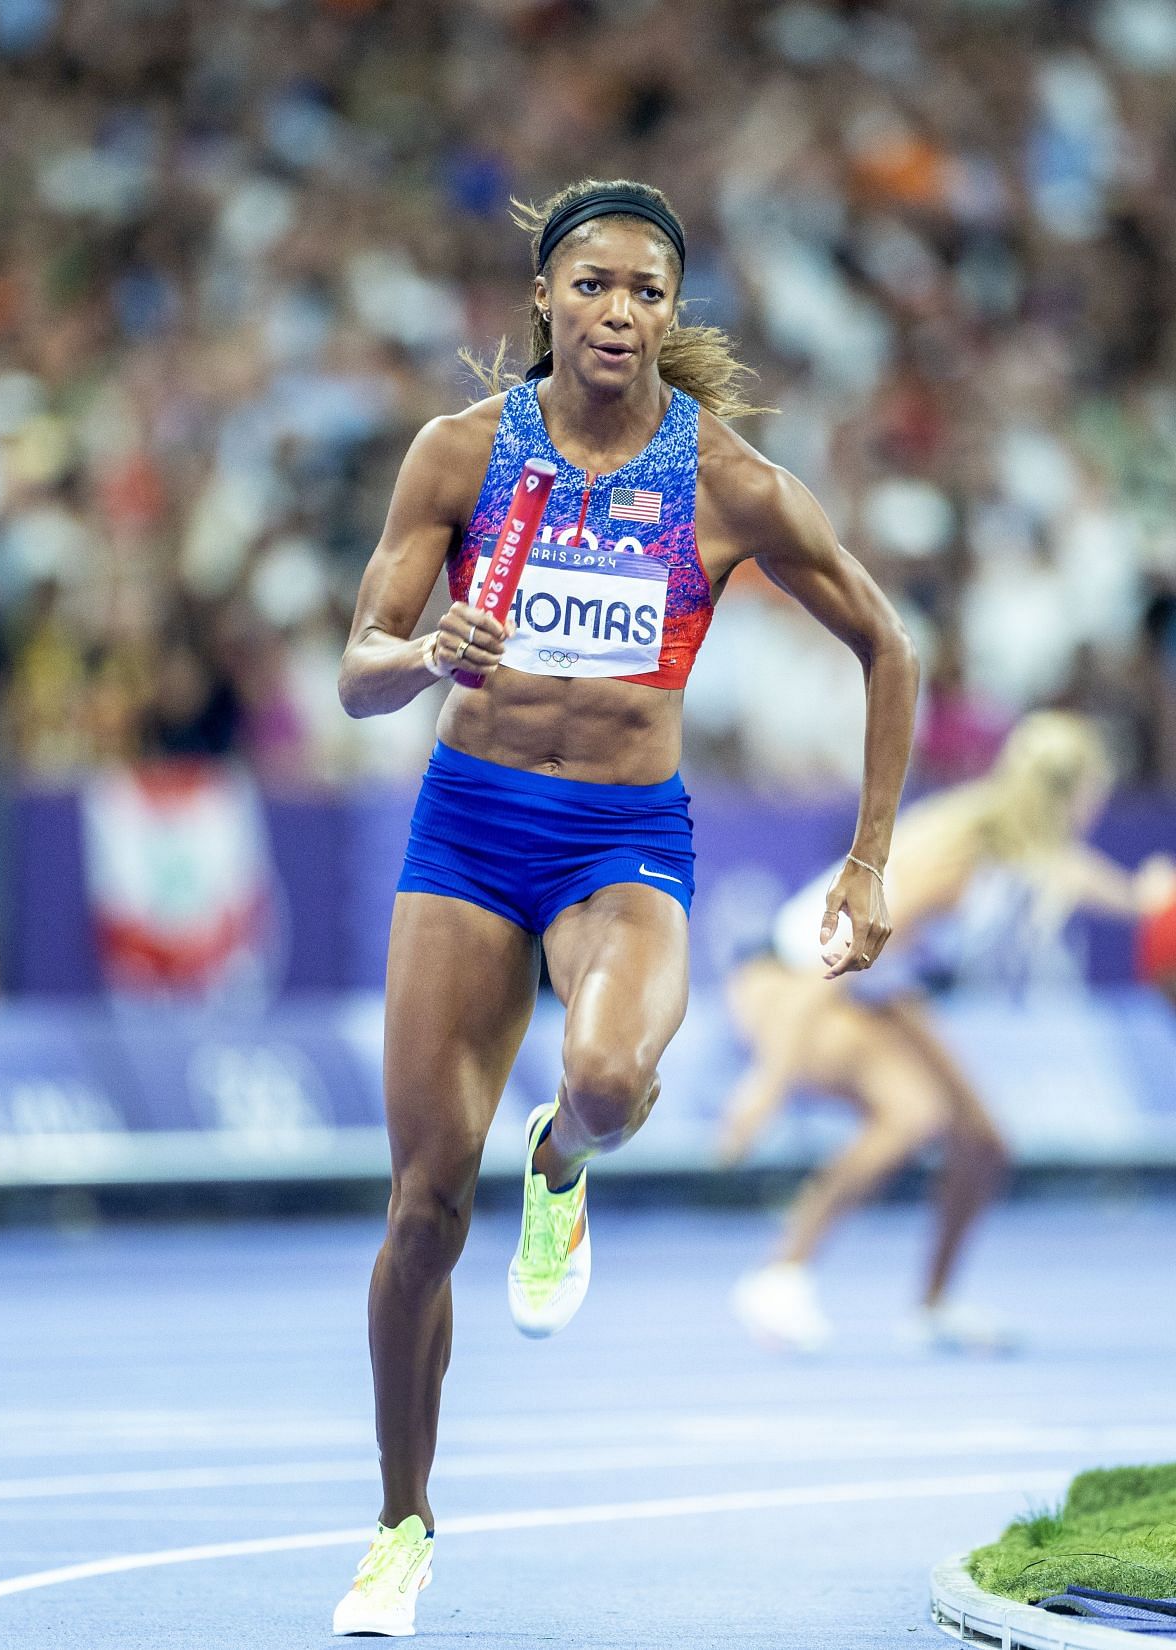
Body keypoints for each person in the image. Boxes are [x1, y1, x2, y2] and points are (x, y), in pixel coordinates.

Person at [327, 177, 920, 1637]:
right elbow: (357, 667)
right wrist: (423, 654)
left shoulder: (727, 482)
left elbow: (886, 646)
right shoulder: (459, 454)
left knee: (606, 1075)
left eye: (648, 291)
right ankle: (401, 1523)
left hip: (621, 844)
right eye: (592, 284)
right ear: (542, 298)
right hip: (468, 833)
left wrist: (868, 858)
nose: (619, 311)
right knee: (421, 1211)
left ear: (674, 312)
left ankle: (567, 1158)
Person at [721, 712, 1176, 1355]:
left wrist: (1147, 898)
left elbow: (1083, 878)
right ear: (1074, 796)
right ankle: (779, 1276)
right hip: (790, 981)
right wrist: (767, 1082)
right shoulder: (954, 866)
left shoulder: (1025, 845)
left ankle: (932, 1308)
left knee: (983, 1142)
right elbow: (836, 968)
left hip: (879, 991)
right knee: (909, 1114)